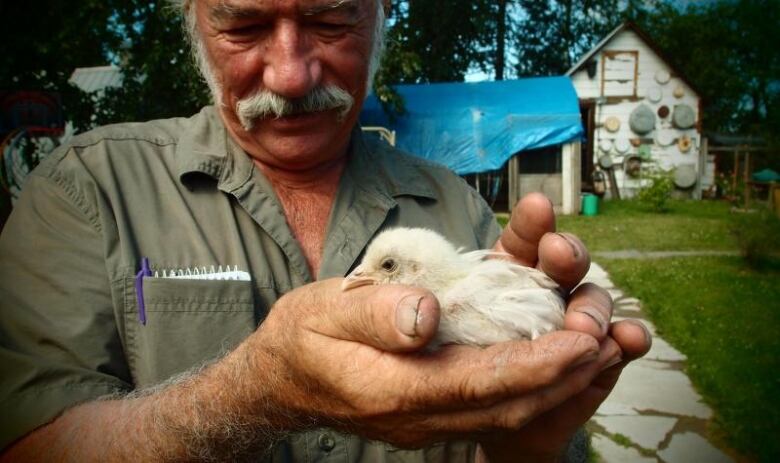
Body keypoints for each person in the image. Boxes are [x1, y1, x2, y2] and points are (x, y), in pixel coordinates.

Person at [0, 0, 651, 461]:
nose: (291, 74)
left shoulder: (458, 210)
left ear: (382, 13)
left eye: (331, 18)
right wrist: (255, 394)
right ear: (193, 21)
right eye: (245, 23)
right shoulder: (87, 193)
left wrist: (528, 449)